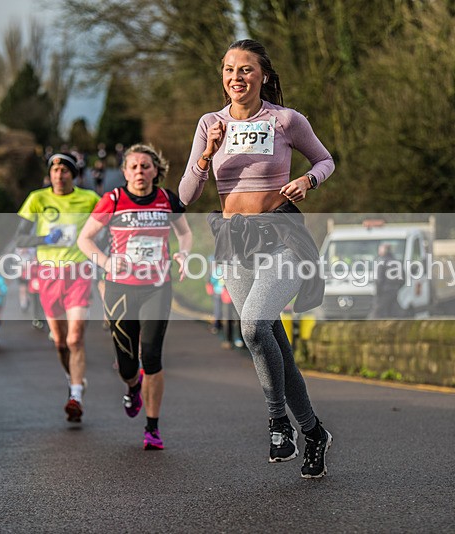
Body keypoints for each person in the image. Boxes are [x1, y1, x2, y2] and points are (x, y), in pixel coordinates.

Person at [179, 39, 335, 478]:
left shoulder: (285, 120)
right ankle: (313, 432)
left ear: (263, 75)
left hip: (281, 236)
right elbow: (186, 195)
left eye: (246, 70)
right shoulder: (210, 123)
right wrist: (208, 153)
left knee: (251, 326)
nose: (236, 78)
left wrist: (308, 180)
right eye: (229, 70)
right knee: (272, 343)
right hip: (234, 243)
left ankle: (277, 420)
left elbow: (326, 160)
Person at [78, 143, 192, 450]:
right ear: (125, 171)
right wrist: (104, 262)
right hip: (120, 287)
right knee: (127, 364)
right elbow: (84, 239)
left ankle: (152, 428)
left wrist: (183, 254)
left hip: (157, 285)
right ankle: (132, 386)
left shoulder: (167, 199)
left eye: (145, 166)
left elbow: (184, 233)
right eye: (133, 167)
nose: (139, 171)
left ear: (156, 170)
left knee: (152, 356)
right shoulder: (113, 200)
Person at [16, 152, 100, 423]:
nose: (59, 175)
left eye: (64, 171)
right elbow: (20, 237)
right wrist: (44, 238)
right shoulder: (37, 199)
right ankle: (74, 379)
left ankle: (75, 395)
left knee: (75, 338)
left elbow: (109, 227)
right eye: (54, 171)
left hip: (79, 273)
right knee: (61, 343)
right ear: (49, 175)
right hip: (49, 274)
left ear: (72, 175)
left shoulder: (89, 199)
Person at [369, 243, 404, 319]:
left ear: (384, 250)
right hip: (394, 292)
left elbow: (379, 280)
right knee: (393, 313)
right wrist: (396, 287)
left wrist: (378, 292)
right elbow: (403, 279)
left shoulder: (381, 262)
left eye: (380, 249)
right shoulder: (397, 262)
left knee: (377, 314)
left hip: (384, 292)